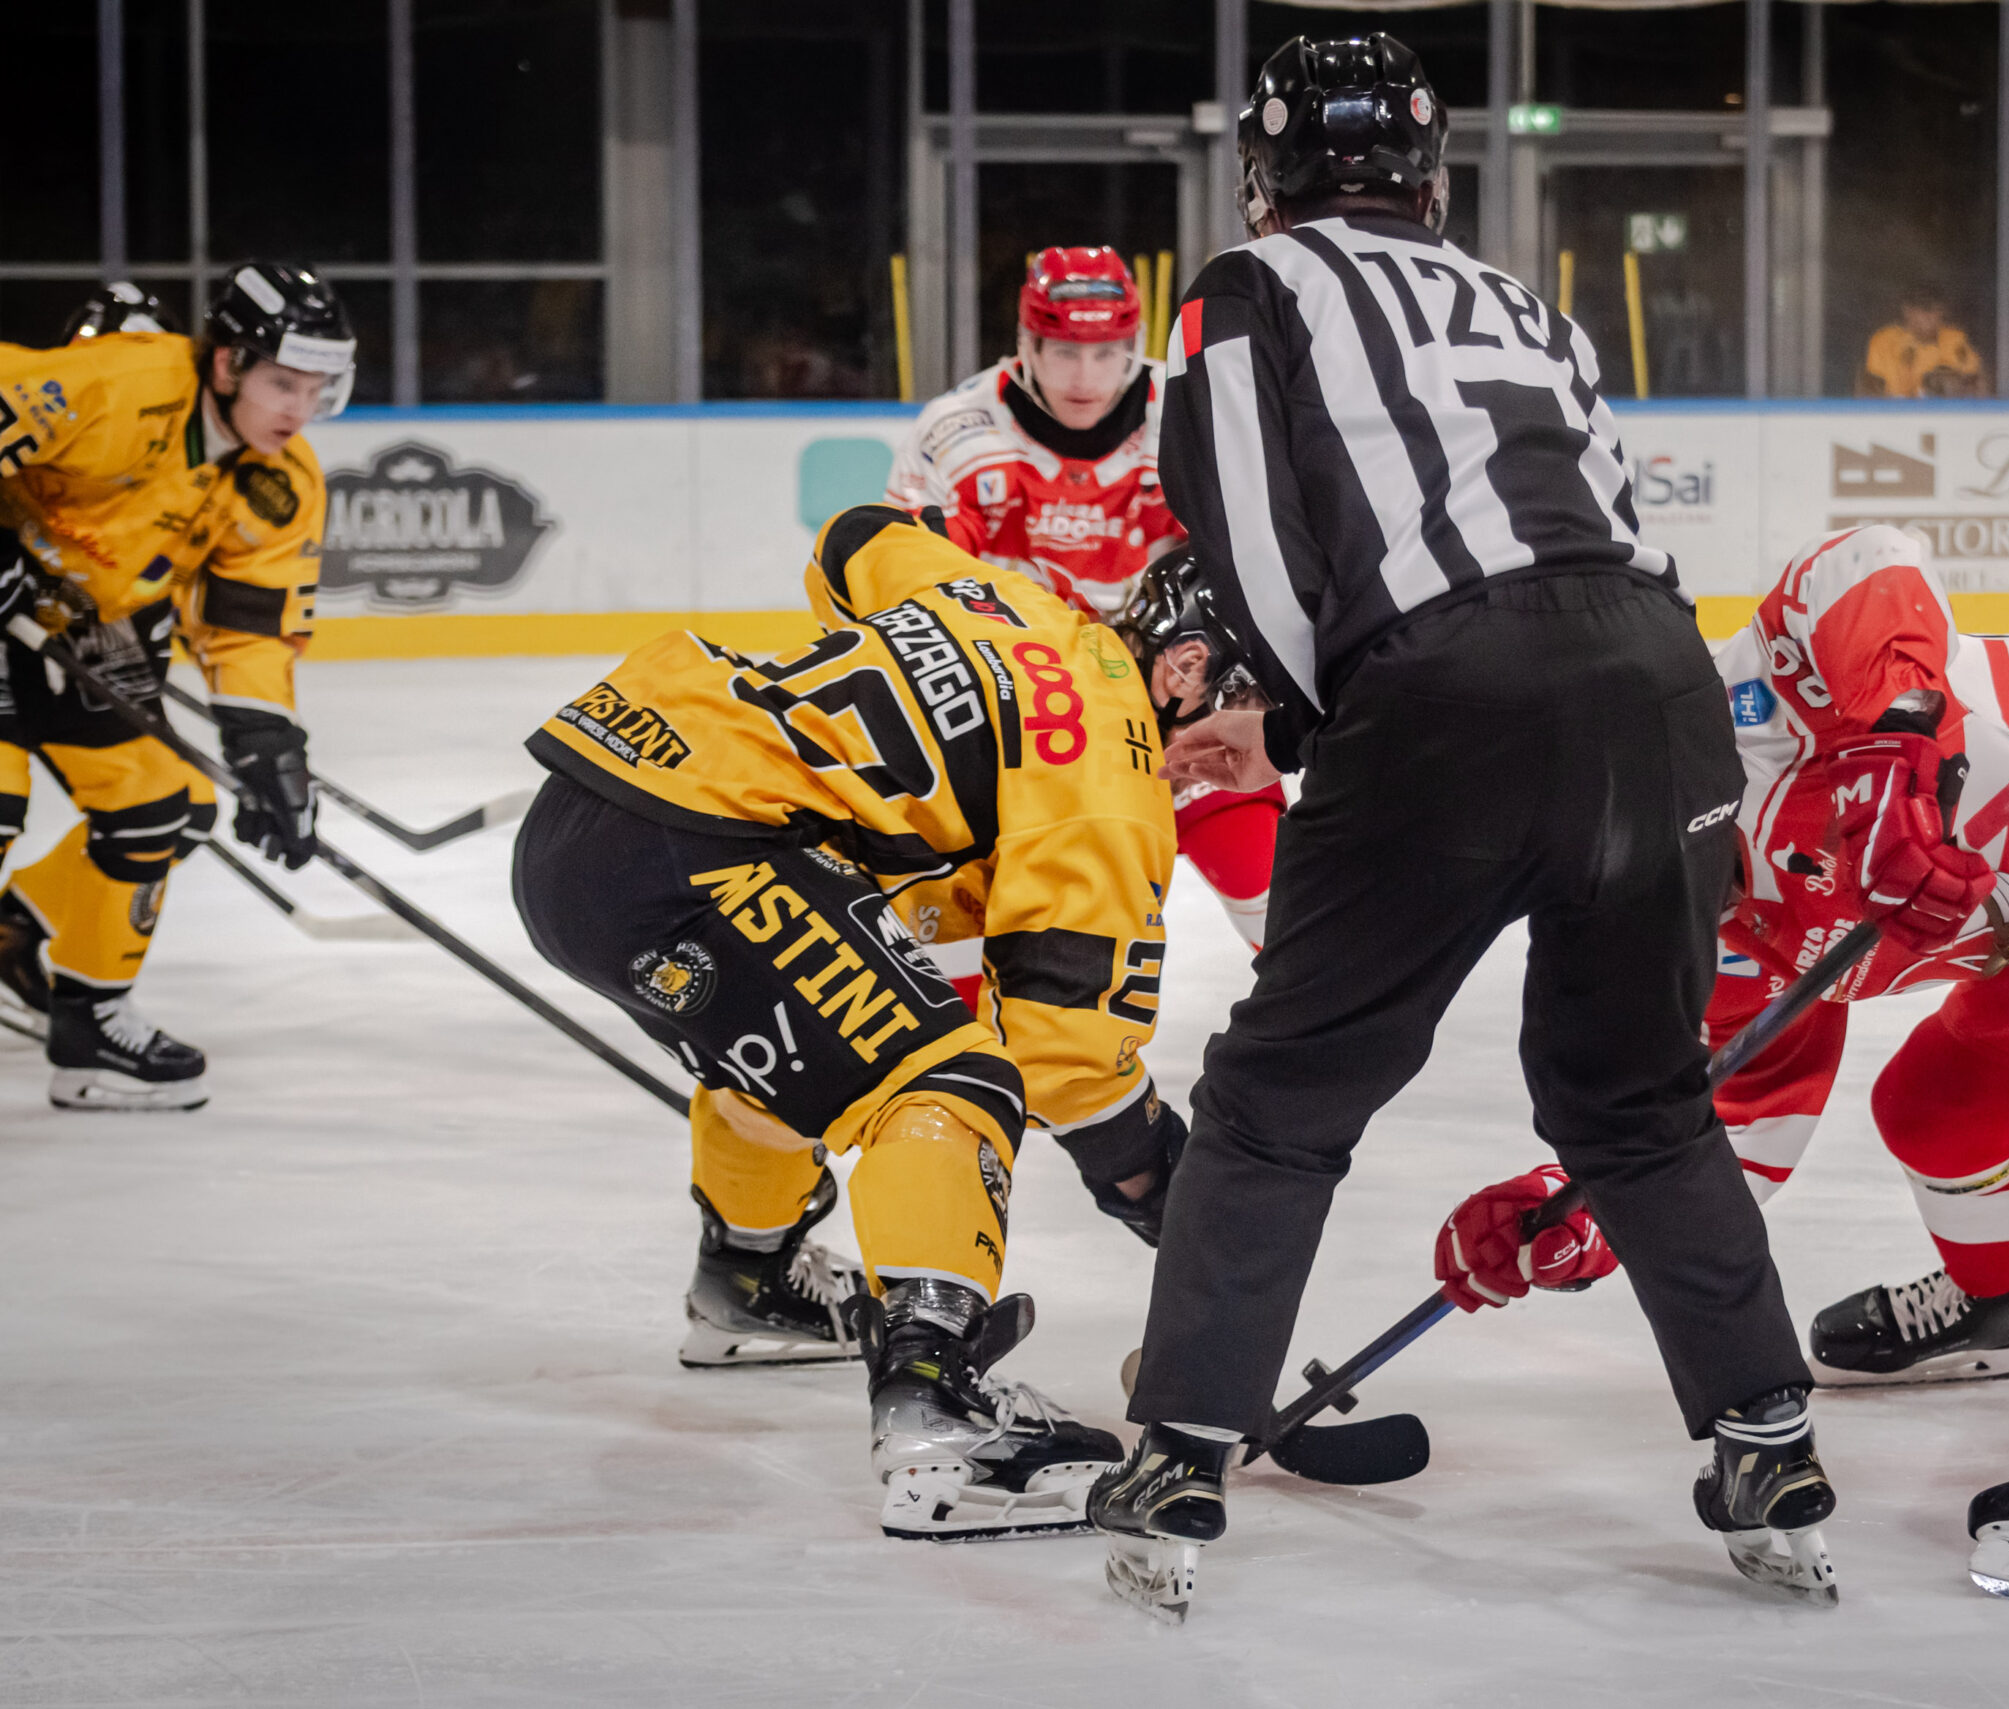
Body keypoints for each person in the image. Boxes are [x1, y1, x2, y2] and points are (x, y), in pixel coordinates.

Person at [1084, 35, 1836, 1621]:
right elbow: (1612, 525)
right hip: (1656, 684)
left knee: (1283, 1096)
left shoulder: (1248, 284)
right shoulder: (1533, 305)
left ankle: (1181, 1454)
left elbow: (1242, 534)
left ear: (1264, 175)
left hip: (1448, 694)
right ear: (1433, 173)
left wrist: (1292, 721)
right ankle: (1764, 1434)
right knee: (1635, 1095)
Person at [1442, 523, 2009, 1598]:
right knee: (1930, 1100)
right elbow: (1735, 1131)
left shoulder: (1750, 695)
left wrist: (1895, 749)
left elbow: (1871, 559)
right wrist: (1582, 1212)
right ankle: (1995, 1302)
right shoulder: (1707, 928)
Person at [509, 502, 1202, 1540]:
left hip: (590, 805)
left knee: (805, 1051)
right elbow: (1060, 1055)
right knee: (950, 1080)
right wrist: (1166, 1183)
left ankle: (750, 1277)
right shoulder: (1116, 771)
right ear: (1187, 671)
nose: (1243, 768)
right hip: (699, 849)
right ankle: (938, 1417)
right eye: (1261, 724)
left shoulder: (1015, 600)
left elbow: (854, 537)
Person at [0, 264, 348, 1110]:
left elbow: (248, 628)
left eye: (316, 389)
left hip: (95, 636)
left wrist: (269, 747)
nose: (297, 411)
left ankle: (87, 1026)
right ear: (226, 365)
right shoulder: (117, 382)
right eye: (281, 384)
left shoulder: (283, 484)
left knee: (160, 805)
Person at [888, 246, 1282, 951]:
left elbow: (1268, 559)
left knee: (1281, 910)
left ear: (1133, 344)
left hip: (1176, 711)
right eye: (1065, 350)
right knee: (968, 945)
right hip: (1021, 727)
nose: (1085, 377)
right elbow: (898, 596)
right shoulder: (956, 433)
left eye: (1107, 352)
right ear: (1025, 343)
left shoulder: (1190, 413)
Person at [1859, 288, 1986, 398]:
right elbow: (1868, 386)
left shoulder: (1954, 340)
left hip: (1943, 415)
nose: (1930, 316)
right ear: (1907, 311)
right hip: (1895, 414)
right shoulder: (1885, 340)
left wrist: (1954, 385)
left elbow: (1979, 383)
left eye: (1936, 310)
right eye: (1924, 309)